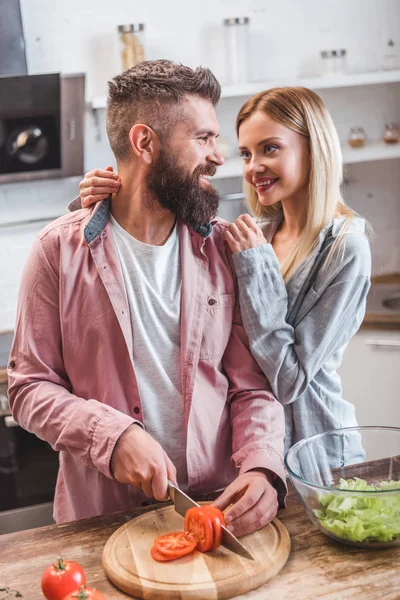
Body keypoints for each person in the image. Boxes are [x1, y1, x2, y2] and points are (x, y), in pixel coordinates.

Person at [8, 60, 286, 536]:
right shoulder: (56, 250)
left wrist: (262, 466)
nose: (219, 157)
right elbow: (28, 388)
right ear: (144, 144)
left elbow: (250, 386)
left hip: (217, 510)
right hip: (101, 521)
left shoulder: (225, 248)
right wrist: (111, 438)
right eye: (203, 138)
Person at [81, 85, 371, 454]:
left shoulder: (345, 249)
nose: (253, 168)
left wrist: (256, 267)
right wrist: (106, 197)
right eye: (246, 154)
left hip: (318, 453)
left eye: (270, 148)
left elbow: (288, 381)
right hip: (249, 458)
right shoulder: (254, 233)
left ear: (314, 148)